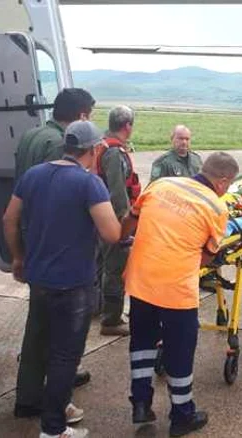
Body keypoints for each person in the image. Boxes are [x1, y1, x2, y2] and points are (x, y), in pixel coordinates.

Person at [4, 121, 121, 438]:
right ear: (94, 149)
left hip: (39, 280)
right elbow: (112, 233)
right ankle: (54, 430)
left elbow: (9, 219)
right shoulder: (89, 183)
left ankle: (48, 406)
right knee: (64, 357)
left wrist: (17, 256)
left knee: (42, 345)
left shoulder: (34, 175)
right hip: (72, 285)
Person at [121, 152, 239, 437]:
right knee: (180, 351)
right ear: (223, 182)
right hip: (175, 290)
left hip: (140, 280)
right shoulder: (216, 207)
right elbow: (207, 257)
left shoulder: (160, 185)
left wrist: (119, 239)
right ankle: (182, 415)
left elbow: (129, 220)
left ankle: (140, 403)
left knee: (142, 341)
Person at [95, 106, 141, 336]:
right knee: (114, 269)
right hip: (112, 221)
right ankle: (111, 320)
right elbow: (117, 194)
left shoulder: (102, 145)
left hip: (100, 218)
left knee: (102, 266)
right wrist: (126, 227)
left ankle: (98, 309)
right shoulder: (114, 153)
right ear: (127, 126)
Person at [15, 88, 95, 181]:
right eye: (90, 117)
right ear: (83, 117)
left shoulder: (29, 134)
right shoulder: (59, 143)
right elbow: (55, 186)